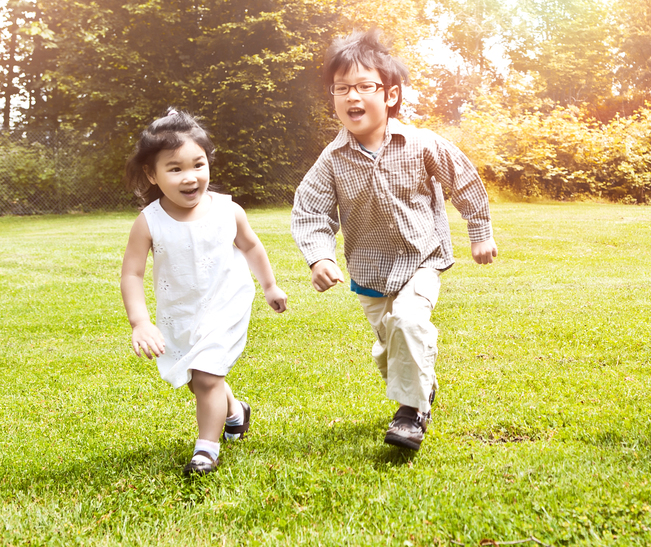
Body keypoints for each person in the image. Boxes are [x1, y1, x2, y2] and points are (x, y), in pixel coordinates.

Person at [291, 28, 497, 452]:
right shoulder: (332, 160)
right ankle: (421, 386)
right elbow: (310, 211)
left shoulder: (420, 143)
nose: (353, 97)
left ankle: (410, 414)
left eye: (365, 86)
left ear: (390, 95)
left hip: (422, 258)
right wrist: (319, 257)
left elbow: (466, 182)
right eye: (342, 88)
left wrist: (480, 234)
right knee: (389, 350)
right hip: (369, 271)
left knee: (408, 322)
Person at [121, 109, 287, 476]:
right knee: (200, 380)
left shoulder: (228, 210)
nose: (190, 177)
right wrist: (140, 322)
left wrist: (269, 285)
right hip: (181, 312)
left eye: (198, 165)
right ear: (152, 174)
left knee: (208, 374)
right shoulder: (149, 221)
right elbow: (132, 274)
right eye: (175, 168)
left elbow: (252, 247)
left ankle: (206, 450)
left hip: (227, 302)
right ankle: (235, 412)